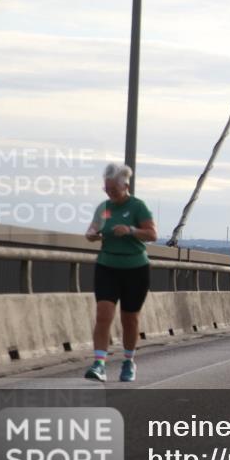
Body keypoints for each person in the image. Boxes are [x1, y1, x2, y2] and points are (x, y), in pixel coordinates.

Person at [83, 163, 158, 382]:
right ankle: (99, 364)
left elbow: (152, 234)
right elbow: (94, 226)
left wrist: (131, 230)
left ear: (124, 186)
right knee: (103, 314)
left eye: (113, 189)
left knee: (130, 319)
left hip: (135, 269)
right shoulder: (105, 207)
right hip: (107, 266)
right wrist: (91, 233)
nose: (109, 193)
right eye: (106, 189)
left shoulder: (137, 207)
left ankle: (128, 361)